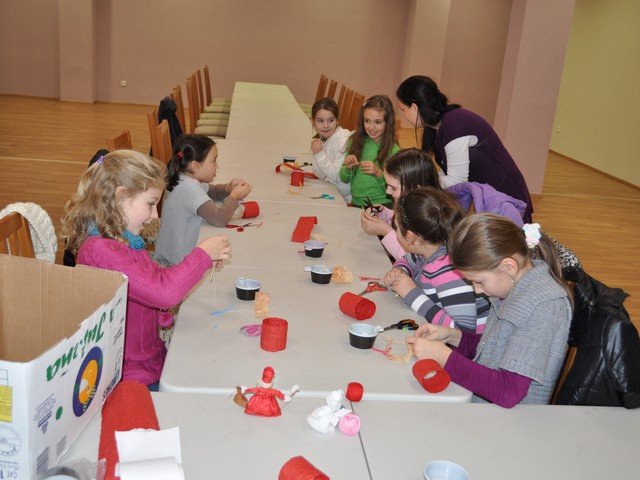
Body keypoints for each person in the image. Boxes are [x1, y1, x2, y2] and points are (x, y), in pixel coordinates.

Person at [62, 150, 232, 390]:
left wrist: (203, 263)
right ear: (120, 197)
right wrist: (202, 255)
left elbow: (157, 279)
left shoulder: (123, 241)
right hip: (128, 378)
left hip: (147, 361)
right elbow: (163, 293)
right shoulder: (101, 252)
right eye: (151, 204)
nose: (155, 216)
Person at [406, 214, 572, 407]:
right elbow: (494, 347)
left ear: (508, 267)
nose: (477, 290)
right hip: (485, 404)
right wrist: (452, 336)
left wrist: (444, 357)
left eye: (479, 282)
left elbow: (508, 392)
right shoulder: (513, 286)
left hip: (512, 417)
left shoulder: (543, 306)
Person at [396, 75, 534, 222]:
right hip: (491, 199)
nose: (403, 115)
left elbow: (456, 181)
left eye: (403, 109)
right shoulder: (437, 128)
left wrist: (420, 180)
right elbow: (448, 173)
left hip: (506, 199)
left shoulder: (456, 124)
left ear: (414, 107)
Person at [383, 187, 488, 333]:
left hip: (472, 343)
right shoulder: (429, 248)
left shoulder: (449, 271)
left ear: (412, 238)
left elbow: (463, 332)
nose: (396, 232)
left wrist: (412, 294)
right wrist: (400, 270)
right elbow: (407, 260)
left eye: (397, 228)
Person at [154, 134, 251, 266]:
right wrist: (234, 197)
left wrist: (228, 188)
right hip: (177, 263)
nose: (217, 166)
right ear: (195, 165)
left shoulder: (182, 176)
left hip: (169, 253)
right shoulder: (190, 187)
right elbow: (219, 219)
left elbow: (212, 191)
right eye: (214, 160)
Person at [360, 148, 441, 260]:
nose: (387, 191)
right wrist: (385, 214)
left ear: (415, 189)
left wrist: (385, 231)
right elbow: (404, 221)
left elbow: (412, 259)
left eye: (393, 188)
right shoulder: (414, 205)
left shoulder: (430, 217)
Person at [338, 95, 400, 208]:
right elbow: (344, 178)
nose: (371, 127)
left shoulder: (393, 151)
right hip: (357, 203)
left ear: (388, 123)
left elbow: (396, 189)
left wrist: (378, 173)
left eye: (378, 122)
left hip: (381, 205)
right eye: (367, 121)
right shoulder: (355, 142)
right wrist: (348, 168)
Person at [310, 97, 352, 203]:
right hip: (330, 190)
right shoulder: (322, 138)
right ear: (313, 122)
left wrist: (319, 154)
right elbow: (320, 174)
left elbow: (338, 176)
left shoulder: (344, 141)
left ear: (337, 121)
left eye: (331, 120)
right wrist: (317, 154)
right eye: (320, 121)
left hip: (345, 198)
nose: (325, 125)